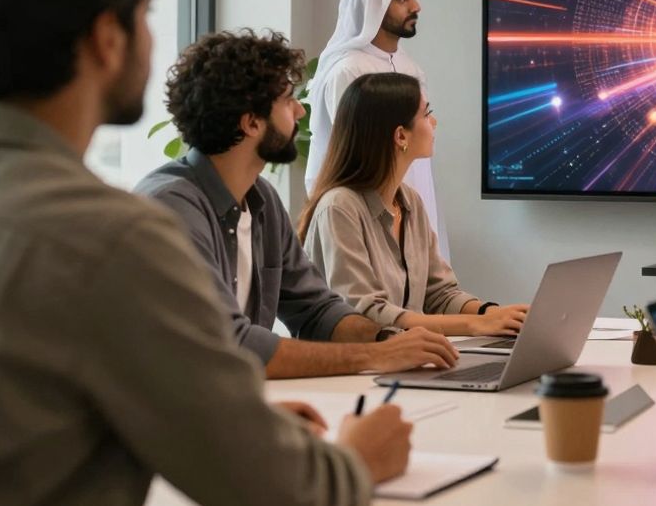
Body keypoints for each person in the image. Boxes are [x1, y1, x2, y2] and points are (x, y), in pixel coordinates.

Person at [0, 0, 408, 506]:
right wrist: (360, 457)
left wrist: (212, 419)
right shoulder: (112, 239)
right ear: (107, 38)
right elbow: (291, 499)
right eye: (146, 13)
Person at [136, 31, 459, 379]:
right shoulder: (172, 209)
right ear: (252, 122)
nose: (300, 110)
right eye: (288, 100)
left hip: (227, 397)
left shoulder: (262, 200)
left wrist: (388, 339)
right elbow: (227, 342)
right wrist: (374, 354)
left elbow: (317, 309)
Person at [299, 72, 528, 335]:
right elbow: (365, 314)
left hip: (406, 353)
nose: (434, 122)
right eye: (426, 114)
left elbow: (440, 294)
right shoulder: (339, 208)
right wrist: (474, 325)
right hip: (358, 359)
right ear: (400, 136)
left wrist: (494, 313)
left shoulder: (410, 202)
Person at [306, 0, 449, 258]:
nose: (416, 6)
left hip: (412, 205)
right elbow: (355, 157)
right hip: (365, 222)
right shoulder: (349, 71)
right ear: (373, 5)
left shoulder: (409, 66)